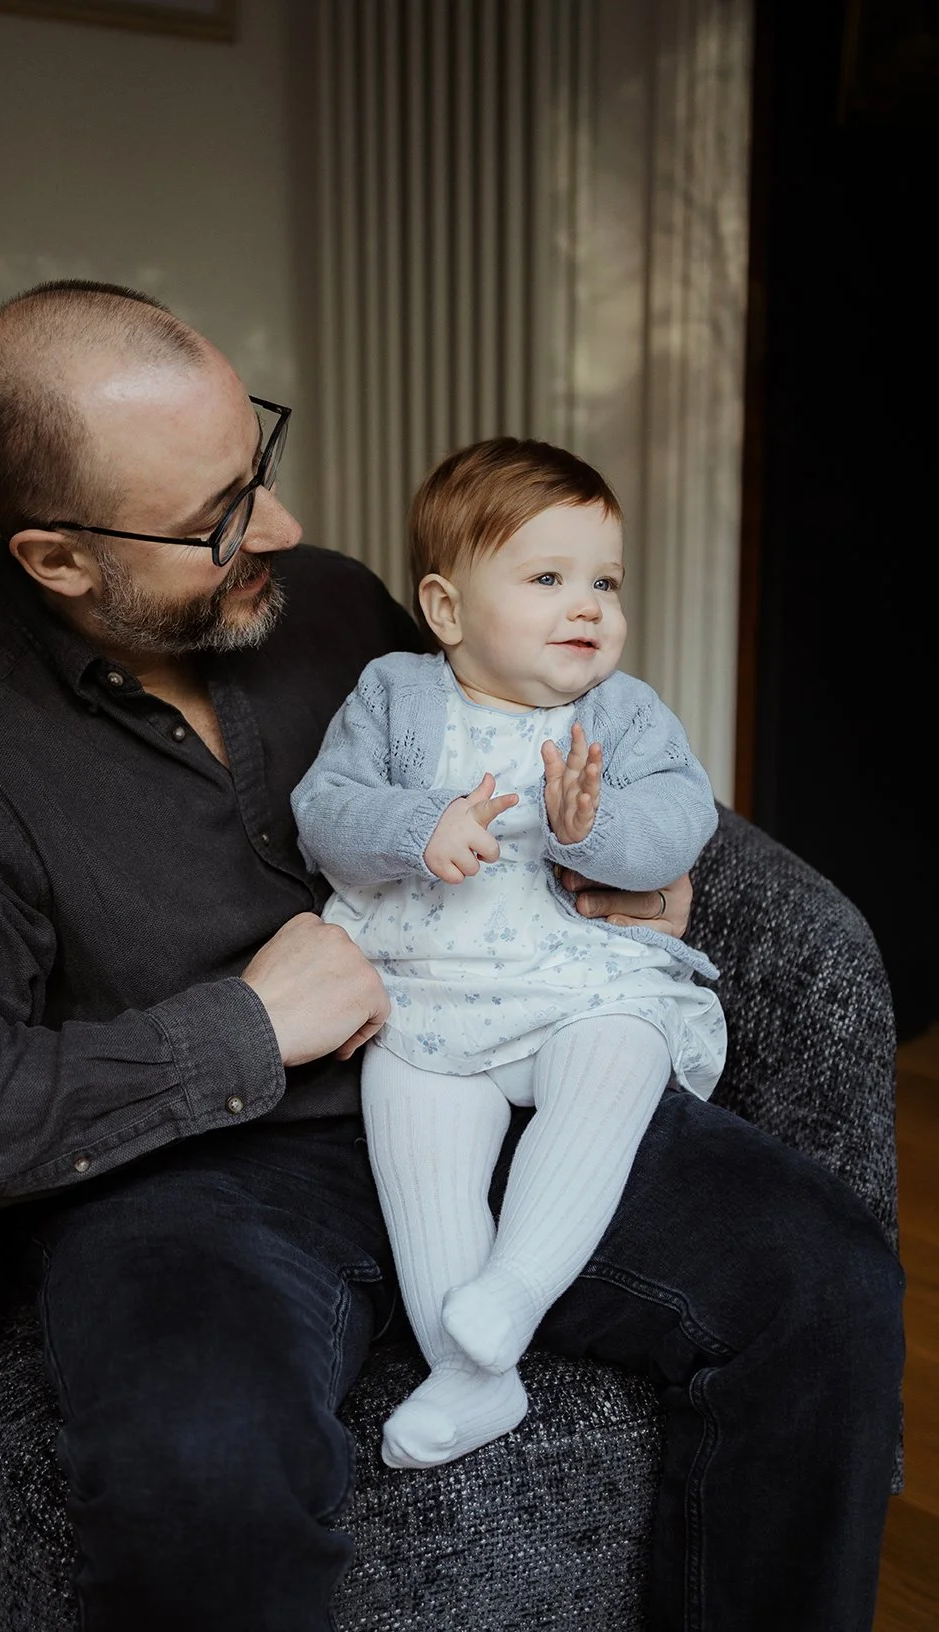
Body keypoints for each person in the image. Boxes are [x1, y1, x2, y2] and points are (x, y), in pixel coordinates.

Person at [0, 280, 903, 1632]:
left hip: (503, 1064)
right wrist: (244, 1028)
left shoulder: (322, 606)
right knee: (200, 1461)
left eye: (257, 464)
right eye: (218, 516)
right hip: (206, 1183)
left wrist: (637, 870)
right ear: (56, 558)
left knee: (826, 1279)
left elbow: (505, 733)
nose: (284, 526)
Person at [291, 437, 728, 1472]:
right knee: (416, 1132)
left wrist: (595, 829)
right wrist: (418, 827)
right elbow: (325, 810)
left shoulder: (621, 714)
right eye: (547, 579)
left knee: (623, 1057)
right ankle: (475, 1377)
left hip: (579, 984)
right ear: (446, 610)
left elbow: (680, 823)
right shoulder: (395, 696)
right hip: (430, 993)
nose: (588, 607)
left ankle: (516, 1289)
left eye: (605, 582)